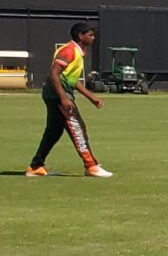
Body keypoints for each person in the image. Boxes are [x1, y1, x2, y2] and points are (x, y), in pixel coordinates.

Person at [28, 21, 110, 178]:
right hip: (58, 96)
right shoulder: (69, 51)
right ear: (81, 36)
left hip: (55, 95)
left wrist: (91, 97)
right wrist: (64, 98)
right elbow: (54, 74)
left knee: (54, 131)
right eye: (90, 35)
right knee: (77, 127)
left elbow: (72, 79)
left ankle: (36, 166)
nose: (93, 38)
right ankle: (91, 166)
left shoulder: (77, 52)